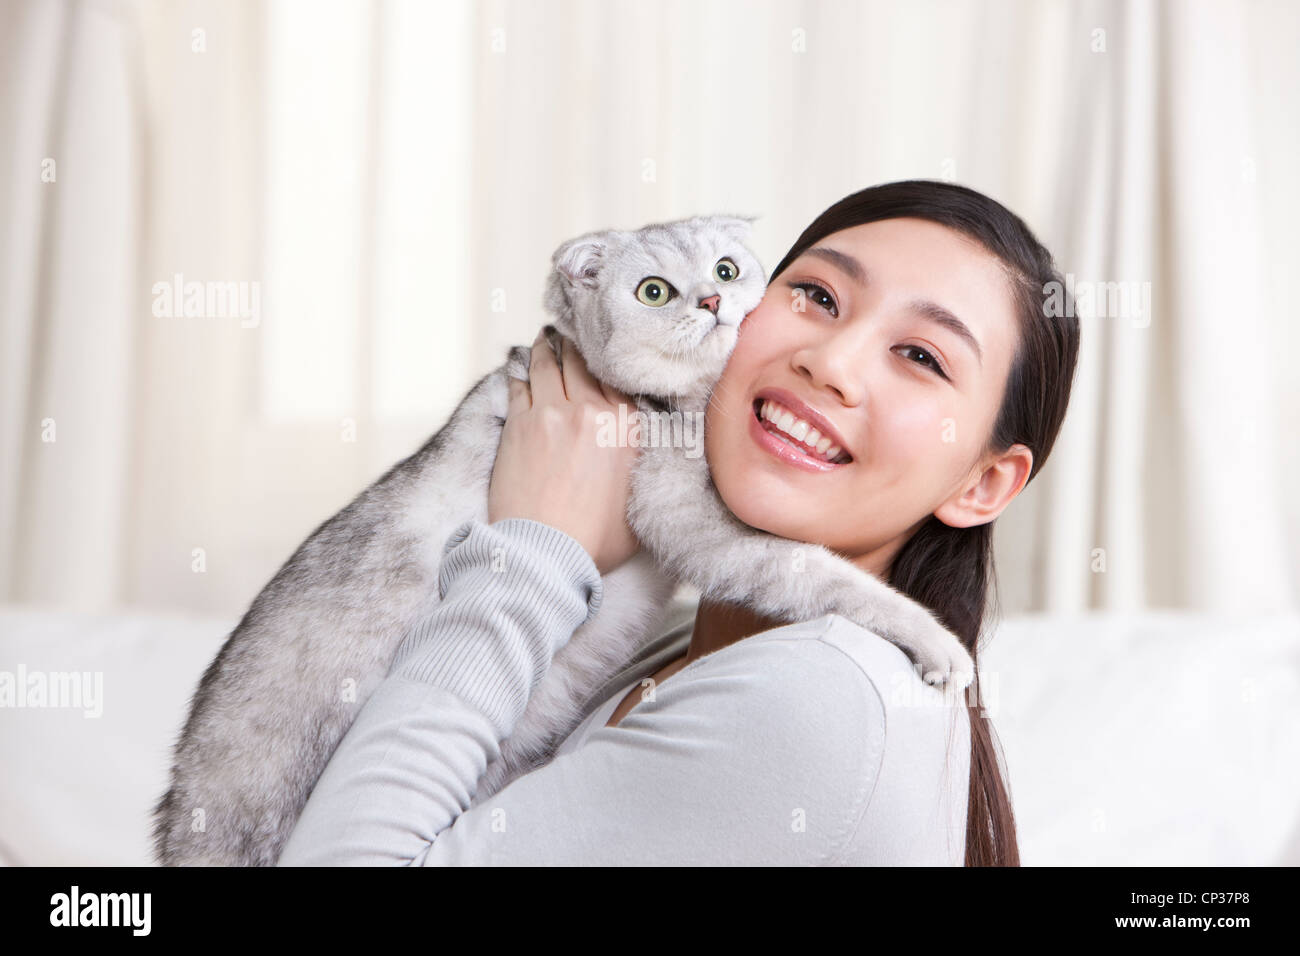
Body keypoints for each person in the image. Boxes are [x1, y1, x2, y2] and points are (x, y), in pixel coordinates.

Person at [276, 180, 1081, 867]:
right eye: (817, 296)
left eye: (922, 357)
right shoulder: (701, 644)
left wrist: (530, 551)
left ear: (983, 485)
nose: (829, 362)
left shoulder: (817, 696)